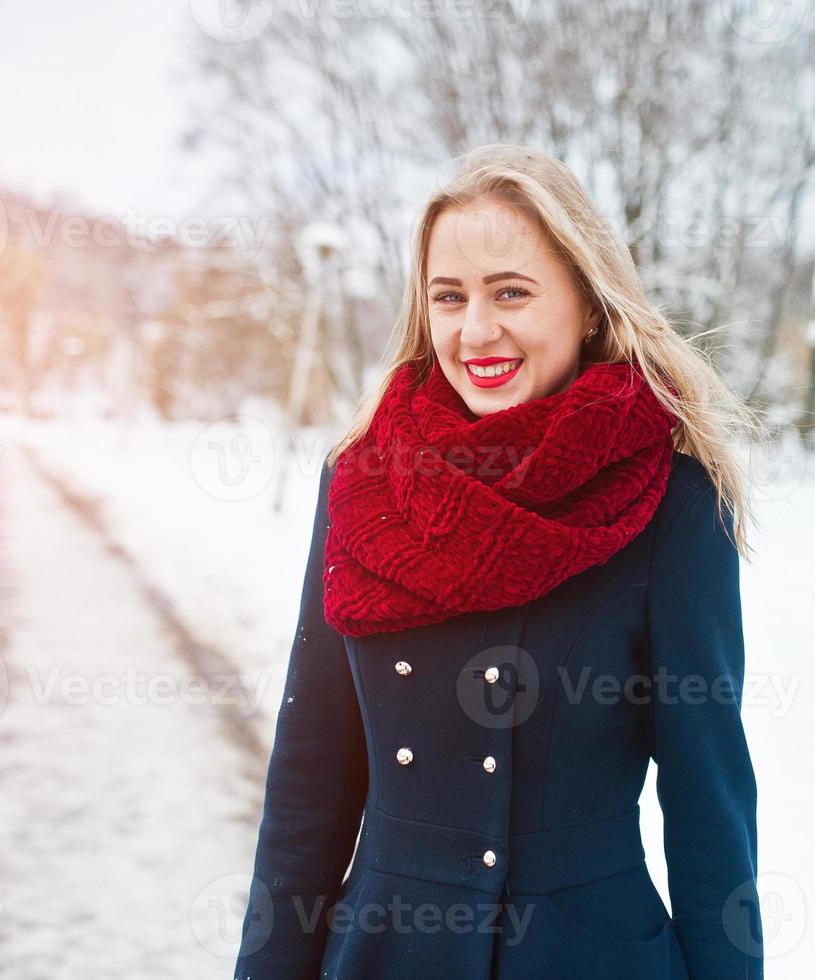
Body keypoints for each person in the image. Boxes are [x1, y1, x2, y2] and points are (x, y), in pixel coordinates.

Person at [234, 143, 764, 980]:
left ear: (588, 305)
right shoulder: (363, 481)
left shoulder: (671, 495)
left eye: (511, 292)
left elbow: (709, 806)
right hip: (384, 954)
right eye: (450, 297)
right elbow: (309, 775)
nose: (475, 329)